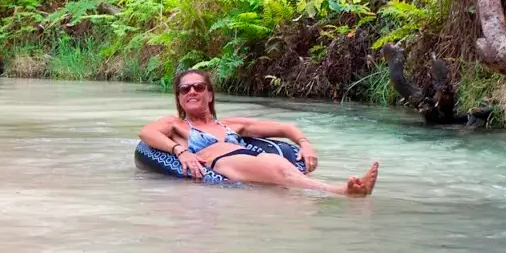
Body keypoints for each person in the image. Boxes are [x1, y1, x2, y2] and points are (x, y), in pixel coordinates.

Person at [138, 69, 379, 196]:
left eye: (198, 87)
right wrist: (180, 151)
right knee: (275, 166)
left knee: (275, 165)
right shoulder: (177, 125)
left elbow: (285, 128)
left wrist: (305, 144)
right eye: (185, 89)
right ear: (179, 98)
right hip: (220, 162)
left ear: (209, 95)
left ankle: (338, 193)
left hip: (250, 159)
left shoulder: (231, 125)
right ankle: (339, 192)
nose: (192, 91)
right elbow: (146, 132)